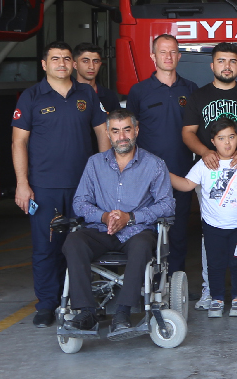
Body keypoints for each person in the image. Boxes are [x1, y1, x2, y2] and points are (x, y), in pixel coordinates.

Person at [11, 41, 110, 329]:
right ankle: (46, 305)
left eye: (67, 59)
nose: (62, 64)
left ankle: (81, 304)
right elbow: (19, 142)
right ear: (44, 64)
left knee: (81, 247)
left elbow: (102, 133)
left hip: (83, 188)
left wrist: (103, 175)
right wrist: (21, 184)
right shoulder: (31, 97)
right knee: (46, 248)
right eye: (55, 59)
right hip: (44, 187)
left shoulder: (86, 95)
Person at [63, 109, 174, 338]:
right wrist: (105, 217)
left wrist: (130, 217)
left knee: (142, 245)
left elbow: (167, 206)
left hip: (136, 231)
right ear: (108, 133)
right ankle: (87, 312)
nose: (122, 136)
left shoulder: (154, 165)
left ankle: (122, 313)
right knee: (74, 241)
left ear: (136, 130)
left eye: (126, 129)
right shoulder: (95, 164)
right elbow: (80, 202)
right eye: (115, 131)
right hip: (102, 230)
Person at [127, 34, 200, 277]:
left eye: (173, 52)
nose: (168, 57)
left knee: (178, 232)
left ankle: (174, 284)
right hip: (146, 175)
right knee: (146, 230)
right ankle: (148, 282)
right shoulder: (138, 91)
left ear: (179, 56)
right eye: (163, 52)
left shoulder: (191, 89)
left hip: (182, 172)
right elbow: (129, 134)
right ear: (153, 56)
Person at [185, 119, 237, 316]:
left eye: (231, 137)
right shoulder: (204, 164)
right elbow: (186, 185)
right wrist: (163, 173)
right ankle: (216, 298)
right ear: (213, 141)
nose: (227, 143)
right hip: (213, 227)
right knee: (214, 264)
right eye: (221, 138)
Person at [182, 42, 237, 173]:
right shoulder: (197, 96)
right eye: (221, 61)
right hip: (207, 169)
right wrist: (204, 152)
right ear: (212, 66)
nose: (227, 66)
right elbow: (188, 132)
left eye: (232, 61)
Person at [72, 42, 121, 115]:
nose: (91, 66)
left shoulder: (109, 96)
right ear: (75, 65)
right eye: (85, 61)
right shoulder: (67, 95)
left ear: (100, 64)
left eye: (96, 61)